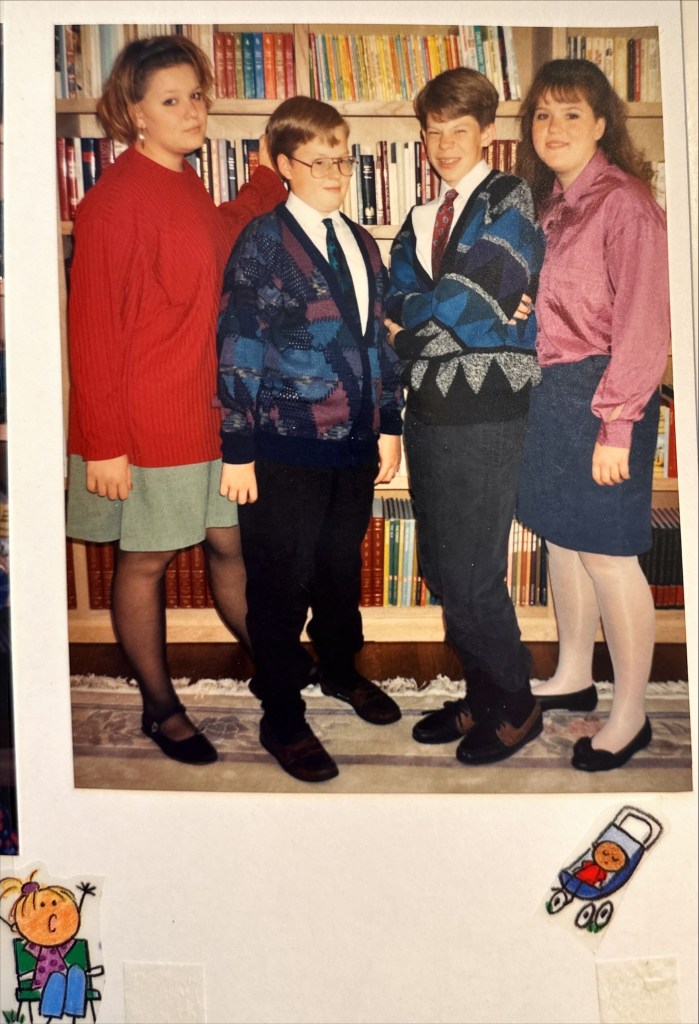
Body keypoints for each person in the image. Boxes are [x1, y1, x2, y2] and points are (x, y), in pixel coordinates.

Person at [65, 35, 287, 765]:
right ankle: (160, 708)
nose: (192, 110)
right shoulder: (112, 203)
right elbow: (92, 329)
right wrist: (103, 441)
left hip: (213, 410)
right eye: (171, 100)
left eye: (196, 94)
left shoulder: (183, 181)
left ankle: (276, 663)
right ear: (134, 114)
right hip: (150, 420)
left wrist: (263, 188)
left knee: (231, 542)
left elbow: (216, 235)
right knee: (148, 562)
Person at [217, 96, 404, 783]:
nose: (333, 171)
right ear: (283, 164)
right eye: (317, 160)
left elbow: (378, 340)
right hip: (282, 444)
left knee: (334, 570)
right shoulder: (261, 242)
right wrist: (237, 445)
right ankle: (280, 711)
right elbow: (239, 344)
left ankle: (339, 669)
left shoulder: (358, 241)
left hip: (353, 440)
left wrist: (389, 425)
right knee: (278, 580)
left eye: (341, 157)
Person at [384, 67, 546, 765]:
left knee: (474, 569)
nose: (444, 145)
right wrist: (440, 314)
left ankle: (515, 704)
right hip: (426, 409)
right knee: (446, 570)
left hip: (484, 409)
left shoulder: (509, 197)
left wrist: (413, 328)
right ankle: (482, 695)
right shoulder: (420, 217)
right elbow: (394, 302)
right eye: (433, 133)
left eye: (458, 131)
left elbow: (475, 303)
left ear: (485, 132)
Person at [515, 58, 670, 772]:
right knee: (561, 539)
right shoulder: (549, 202)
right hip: (550, 394)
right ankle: (574, 671)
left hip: (605, 395)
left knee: (608, 554)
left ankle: (630, 713)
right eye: (542, 114)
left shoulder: (625, 202)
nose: (553, 127)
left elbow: (642, 321)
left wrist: (616, 425)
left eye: (570, 114)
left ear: (601, 123)